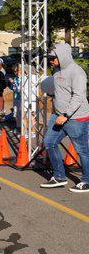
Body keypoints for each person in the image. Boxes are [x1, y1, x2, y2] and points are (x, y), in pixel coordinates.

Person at [40, 43, 89, 193]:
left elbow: (78, 96)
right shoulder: (57, 70)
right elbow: (59, 91)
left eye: (53, 58)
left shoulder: (77, 72)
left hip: (76, 118)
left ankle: (87, 181)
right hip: (59, 115)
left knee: (82, 150)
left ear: (63, 56)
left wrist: (66, 115)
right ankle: (59, 177)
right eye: (50, 58)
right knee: (49, 142)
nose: (51, 60)